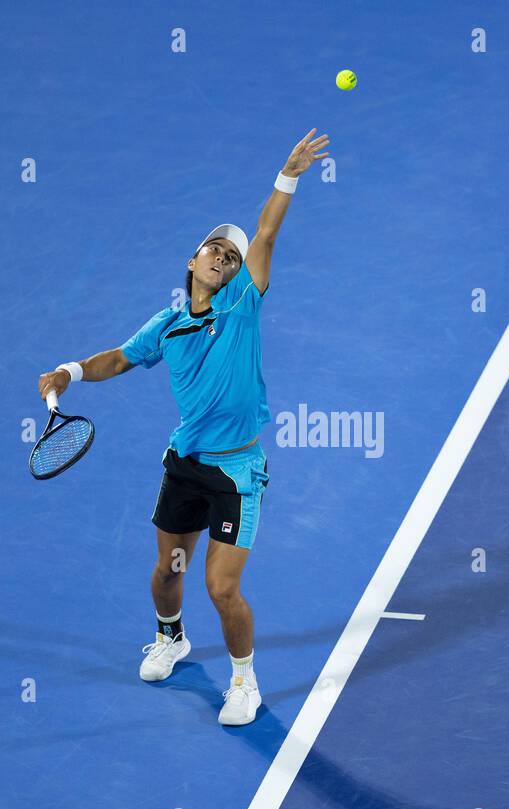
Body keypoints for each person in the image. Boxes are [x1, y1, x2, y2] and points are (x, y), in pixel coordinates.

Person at [37, 129, 331, 726]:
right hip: (186, 465)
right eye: (214, 250)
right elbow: (118, 358)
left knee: (221, 587)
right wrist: (68, 372)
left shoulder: (244, 302)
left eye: (233, 255)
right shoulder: (168, 324)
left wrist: (288, 175)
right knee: (168, 573)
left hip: (237, 473)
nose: (224, 257)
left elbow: (268, 233)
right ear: (192, 261)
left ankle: (244, 680)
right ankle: (170, 638)